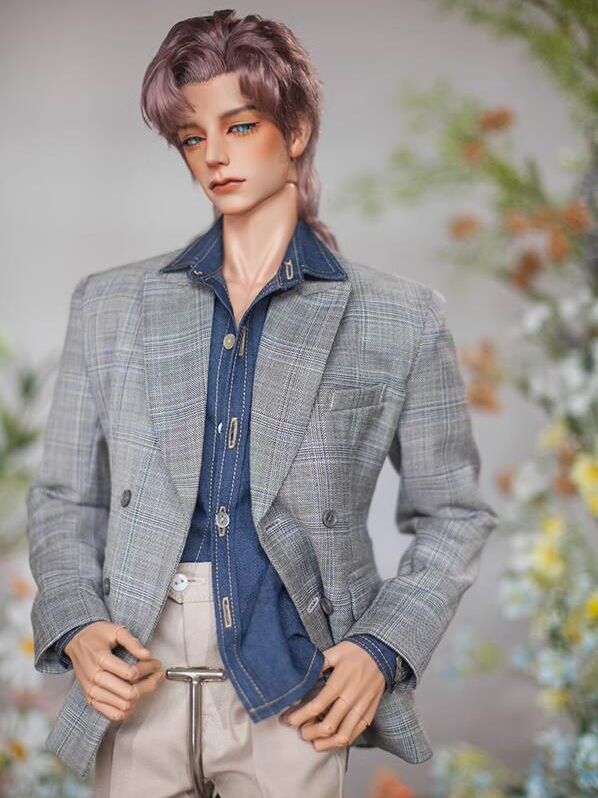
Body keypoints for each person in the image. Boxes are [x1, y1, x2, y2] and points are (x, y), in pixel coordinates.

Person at [26, 9, 499, 798]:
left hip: (298, 684)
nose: (214, 155)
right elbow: (63, 498)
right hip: (136, 677)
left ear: (297, 129)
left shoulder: (399, 317)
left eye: (240, 126)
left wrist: (382, 647)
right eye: (191, 137)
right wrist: (75, 622)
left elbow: (455, 512)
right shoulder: (109, 305)